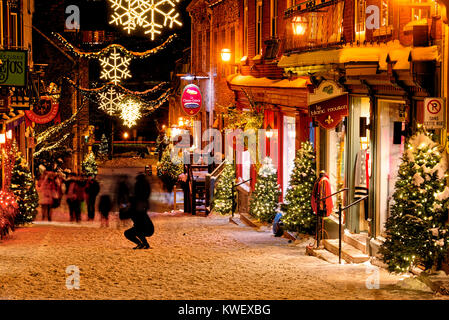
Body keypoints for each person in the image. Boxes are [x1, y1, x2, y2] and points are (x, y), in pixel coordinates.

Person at [124, 174, 154, 249]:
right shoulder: (137, 209)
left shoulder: (135, 210)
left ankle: (144, 244)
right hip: (148, 228)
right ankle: (143, 244)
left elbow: (125, 215)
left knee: (137, 230)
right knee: (131, 231)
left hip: (147, 229)